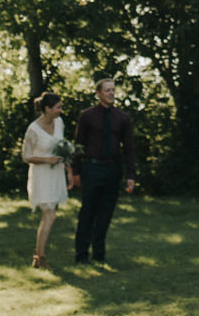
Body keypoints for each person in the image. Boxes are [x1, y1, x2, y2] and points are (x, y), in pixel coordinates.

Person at [72, 76, 136, 266]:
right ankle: (81, 255)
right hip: (91, 168)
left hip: (113, 170)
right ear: (98, 93)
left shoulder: (122, 118)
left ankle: (99, 254)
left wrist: (131, 175)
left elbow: (129, 148)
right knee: (88, 212)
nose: (111, 93)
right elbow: (78, 145)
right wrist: (75, 172)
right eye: (107, 90)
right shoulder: (87, 116)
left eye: (113, 90)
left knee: (105, 214)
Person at [21, 90, 73, 269]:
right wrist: (46, 160)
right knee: (49, 215)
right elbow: (26, 156)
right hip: (41, 175)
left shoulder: (59, 123)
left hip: (56, 173)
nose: (61, 110)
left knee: (50, 215)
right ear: (47, 108)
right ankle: (40, 257)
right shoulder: (33, 129)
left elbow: (62, 147)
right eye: (58, 107)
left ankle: (38, 257)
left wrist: (69, 170)